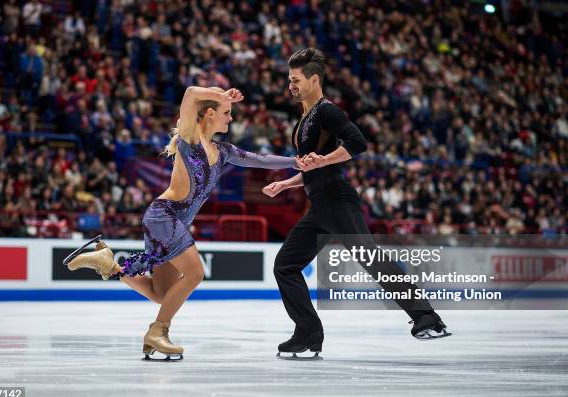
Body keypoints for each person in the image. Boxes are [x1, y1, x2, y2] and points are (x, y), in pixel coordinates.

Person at [66, 86, 298, 361]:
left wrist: (296, 162)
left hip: (167, 222)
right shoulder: (191, 137)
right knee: (196, 273)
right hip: (165, 216)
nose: (231, 118)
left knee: (162, 294)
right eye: (226, 112)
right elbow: (189, 93)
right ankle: (157, 332)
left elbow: (261, 160)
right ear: (210, 113)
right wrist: (220, 94)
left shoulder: (222, 151)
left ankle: (109, 264)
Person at [262, 48, 450, 359]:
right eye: (289, 80)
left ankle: (426, 317)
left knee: (372, 259)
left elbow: (357, 142)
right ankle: (308, 333)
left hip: (337, 200)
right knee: (285, 265)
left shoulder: (326, 111)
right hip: (320, 207)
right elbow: (315, 167)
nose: (290, 85)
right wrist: (286, 182)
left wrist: (323, 158)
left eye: (295, 80)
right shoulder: (305, 119)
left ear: (313, 79)